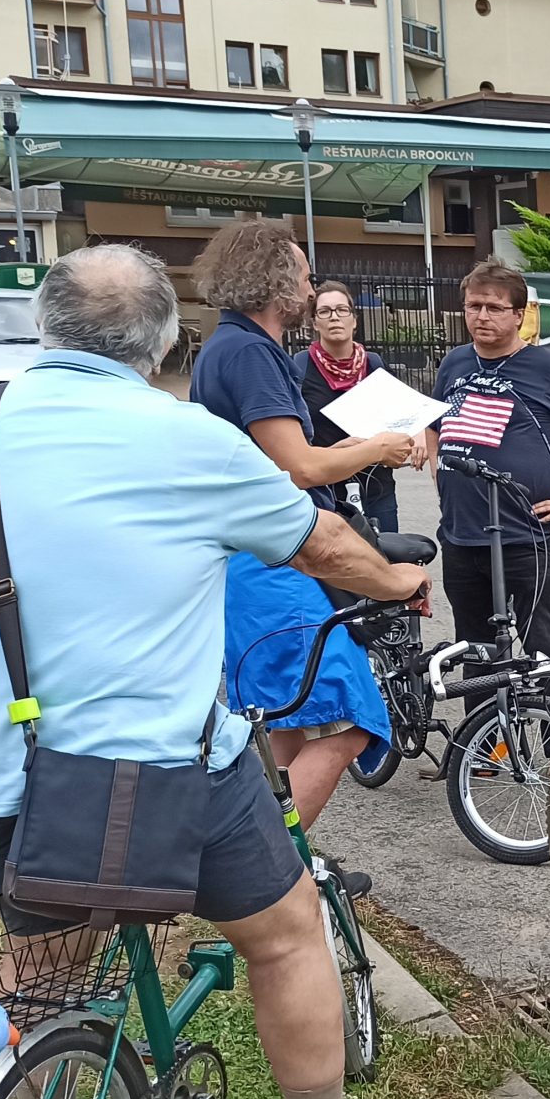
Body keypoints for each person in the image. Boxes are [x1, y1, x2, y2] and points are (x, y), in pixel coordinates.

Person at [0, 244, 427, 1099]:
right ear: (159, 343)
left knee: (48, 959)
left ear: (45, 325)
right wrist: (401, 580)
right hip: (156, 762)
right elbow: (318, 540)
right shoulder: (187, 438)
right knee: (283, 935)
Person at [189, 220, 416, 844]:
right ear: (275, 281)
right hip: (267, 565)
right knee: (354, 717)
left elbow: (285, 454)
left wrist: (357, 447)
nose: (313, 287)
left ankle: (257, 861)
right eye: (304, 273)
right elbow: (300, 468)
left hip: (241, 562)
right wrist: (375, 448)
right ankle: (270, 868)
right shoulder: (253, 353)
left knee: (279, 723)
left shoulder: (226, 347)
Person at [432, 259, 550, 659]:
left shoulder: (546, 368)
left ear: (519, 315)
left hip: (527, 535)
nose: (481, 316)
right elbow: (433, 422)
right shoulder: (454, 362)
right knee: (476, 650)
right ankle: (485, 723)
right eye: (473, 306)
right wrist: (440, 472)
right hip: (461, 534)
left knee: (541, 647)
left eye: (494, 307)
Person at [294, 281, 403, 532]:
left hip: (377, 486)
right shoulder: (300, 368)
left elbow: (398, 417)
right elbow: (292, 439)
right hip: (326, 491)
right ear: (314, 323)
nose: (335, 318)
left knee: (384, 560)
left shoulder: (374, 364)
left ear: (354, 320)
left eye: (342, 310)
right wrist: (333, 452)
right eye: (325, 311)